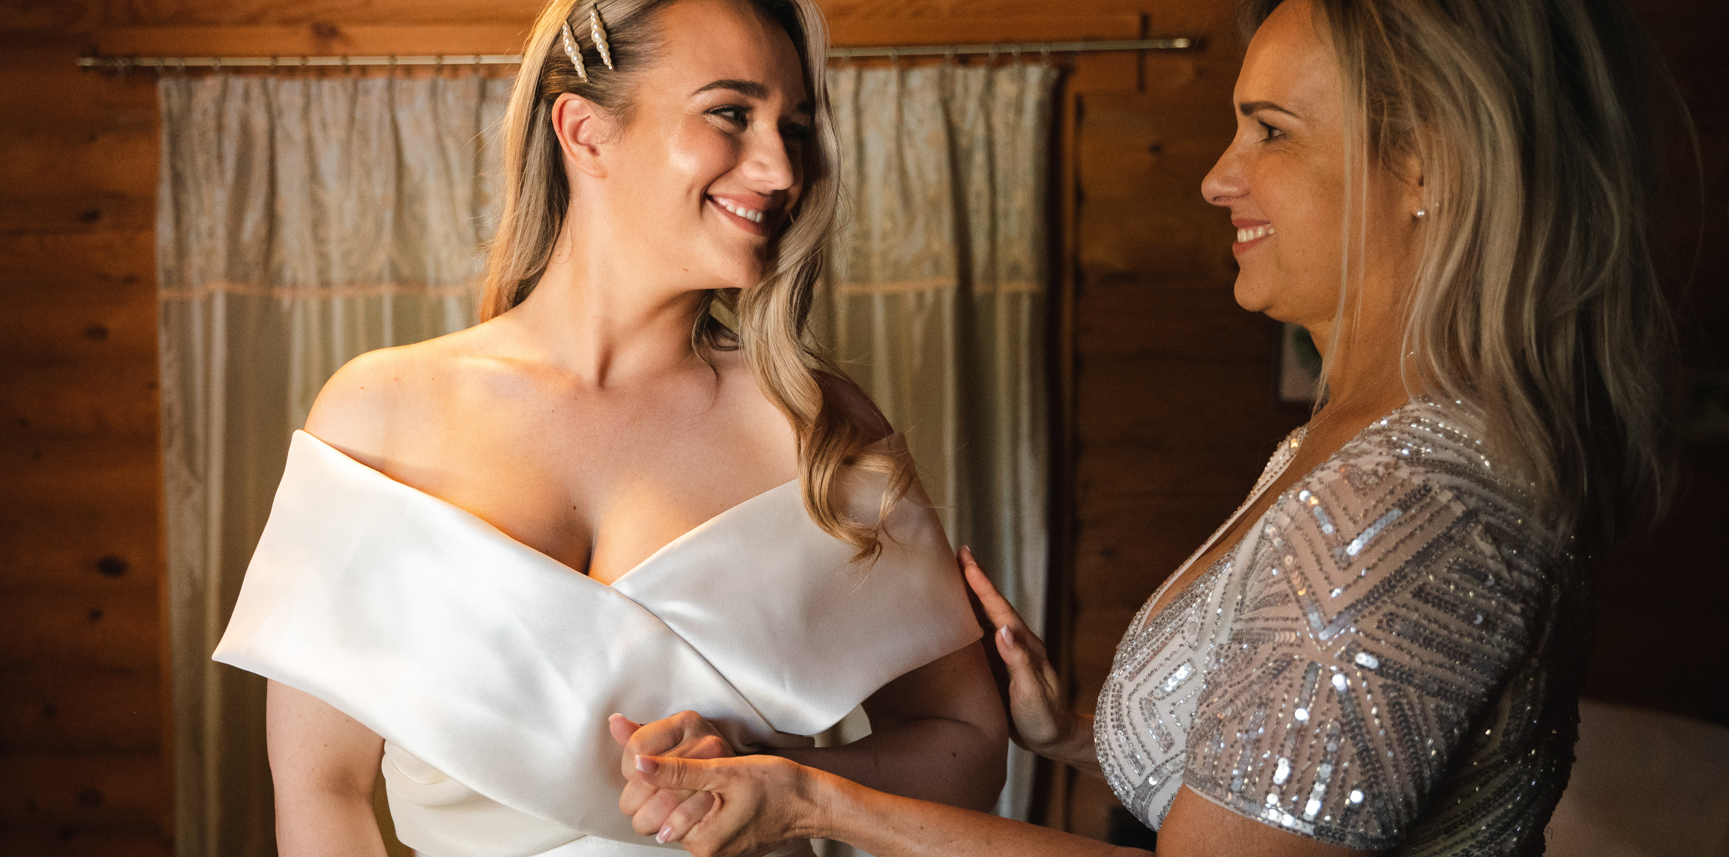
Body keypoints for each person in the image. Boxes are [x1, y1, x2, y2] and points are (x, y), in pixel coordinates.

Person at [615, 0, 1680, 853]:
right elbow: (1283, 786)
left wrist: (812, 800)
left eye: (1270, 130)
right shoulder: (1344, 448)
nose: (1218, 177)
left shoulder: (1404, 506)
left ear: (1424, 166)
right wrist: (1072, 734)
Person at [209, 0, 1010, 854]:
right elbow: (323, 790)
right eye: (731, 114)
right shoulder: (380, 415)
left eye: (797, 128)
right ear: (585, 132)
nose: (780, 168)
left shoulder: (818, 428)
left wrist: (788, 780)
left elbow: (967, 742)